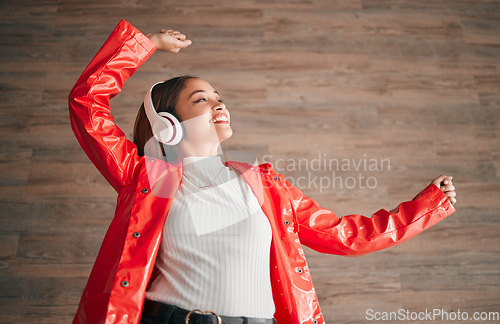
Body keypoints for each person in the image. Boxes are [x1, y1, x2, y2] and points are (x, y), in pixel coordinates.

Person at [68, 19, 457, 324]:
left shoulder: (263, 184)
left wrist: (429, 206)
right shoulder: (144, 176)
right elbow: (87, 103)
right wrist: (146, 44)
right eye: (201, 99)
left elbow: (343, 234)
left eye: (220, 98)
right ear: (167, 124)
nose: (218, 104)